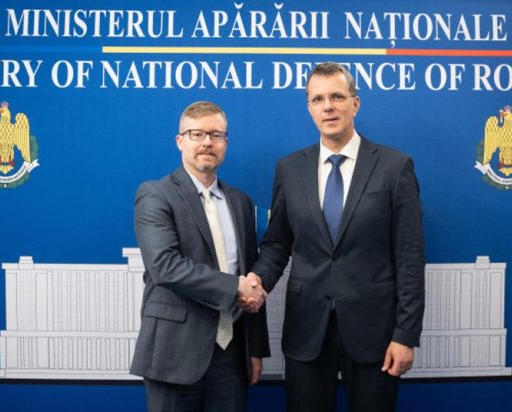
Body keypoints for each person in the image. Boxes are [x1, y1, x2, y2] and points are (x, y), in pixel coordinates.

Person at [248, 62, 425, 412]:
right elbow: (277, 244)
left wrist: (405, 335)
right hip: (307, 330)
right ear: (309, 108)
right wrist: (258, 281)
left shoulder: (394, 167)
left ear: (355, 103)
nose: (328, 106)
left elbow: (409, 256)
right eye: (318, 99)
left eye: (337, 97)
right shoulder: (289, 168)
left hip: (375, 334)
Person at [131, 101, 269, 412]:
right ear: (180, 141)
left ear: (225, 143)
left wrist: (255, 349)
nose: (207, 142)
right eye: (197, 134)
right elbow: (165, 267)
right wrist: (234, 286)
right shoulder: (155, 194)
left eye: (216, 135)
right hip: (174, 354)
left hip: (231, 357)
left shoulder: (241, 202)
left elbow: (249, 273)